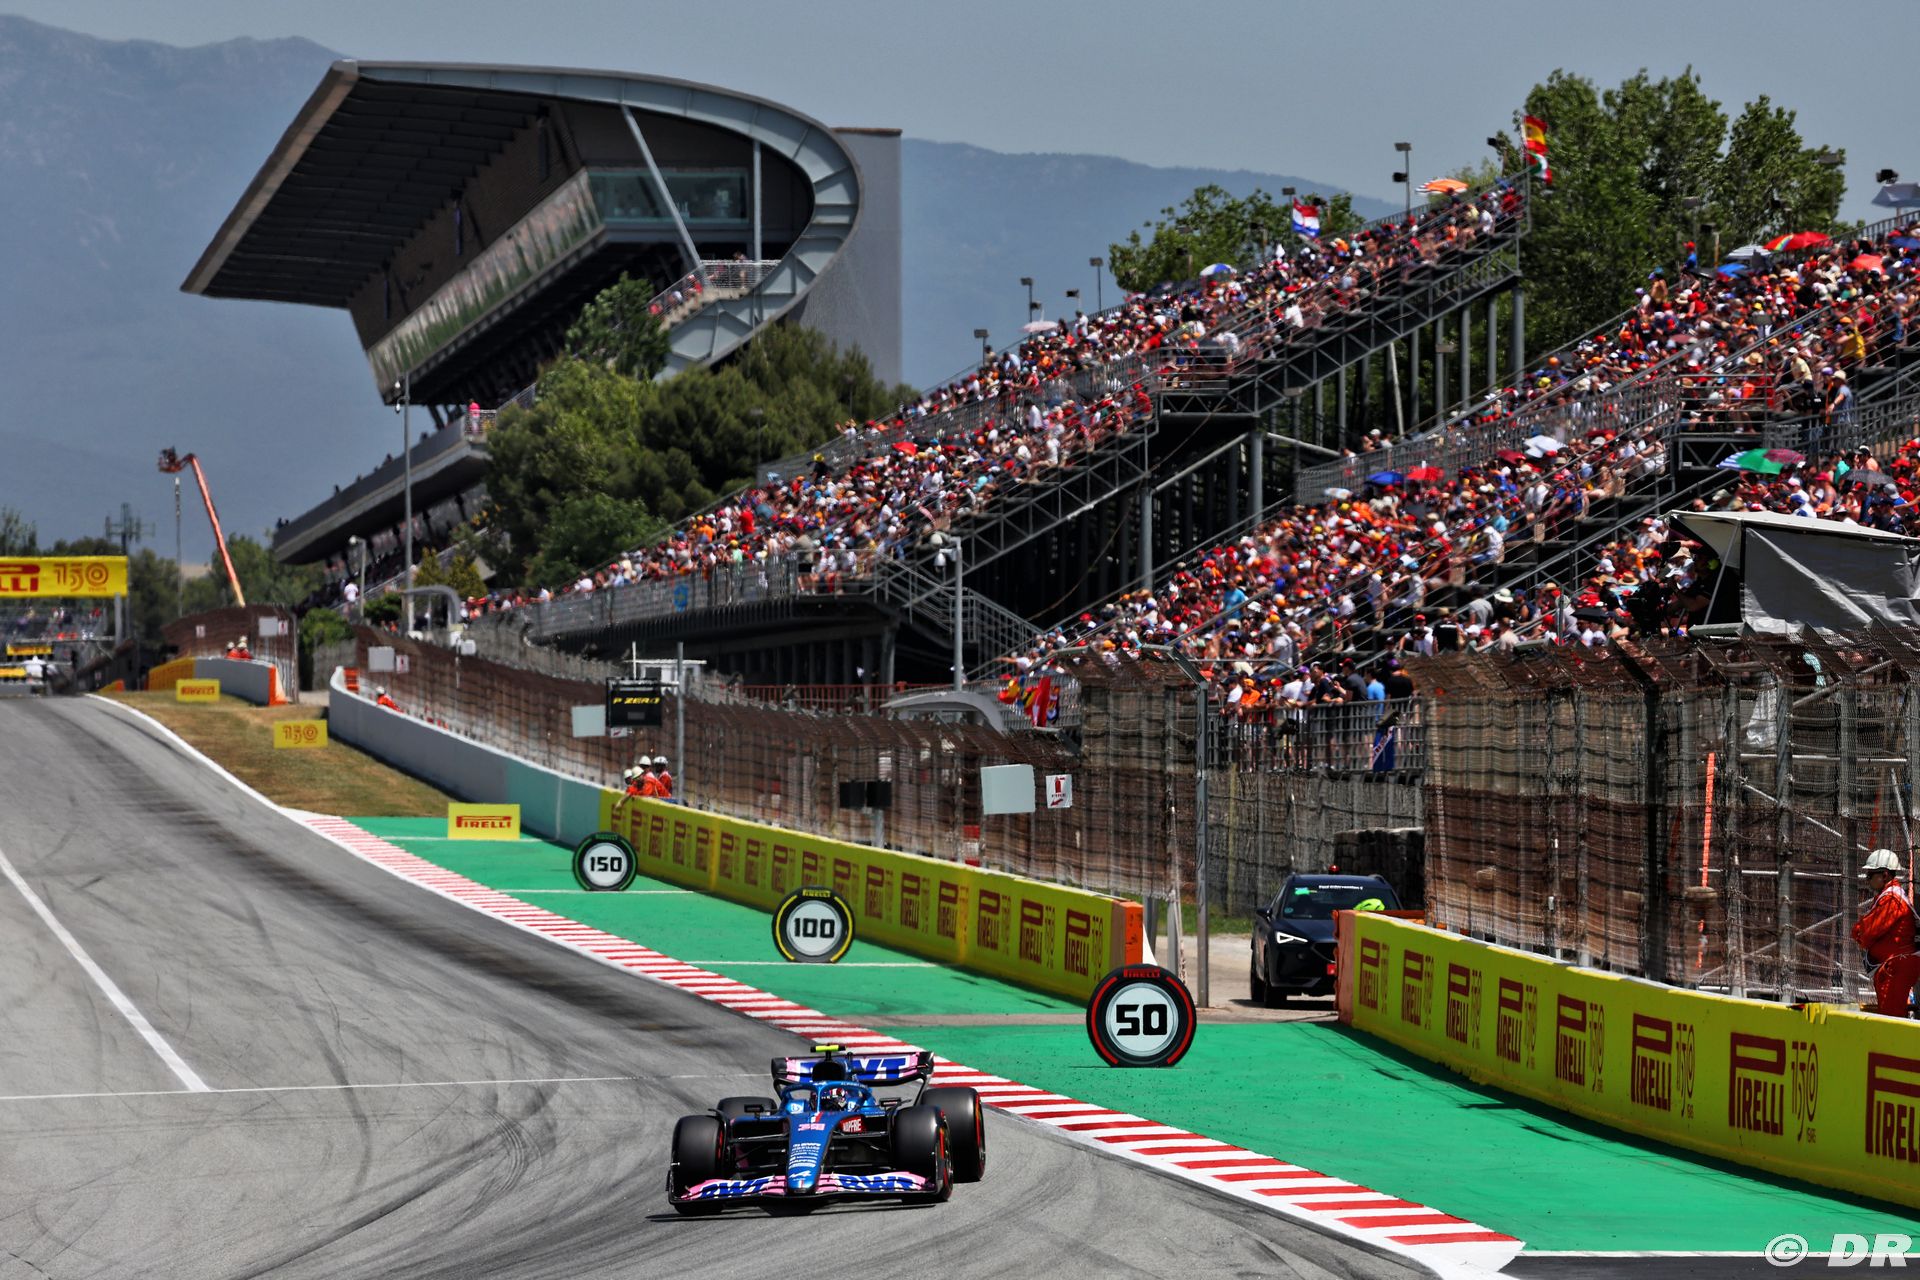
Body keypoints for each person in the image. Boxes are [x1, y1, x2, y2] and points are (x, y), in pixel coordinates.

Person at [1853, 849, 1918, 1017]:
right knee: (1890, 1014)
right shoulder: (1888, 896)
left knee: (1892, 1016)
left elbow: (1866, 934)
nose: (1867, 879)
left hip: (1896, 966)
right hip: (1893, 966)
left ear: (1884, 875)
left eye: (1870, 874)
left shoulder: (1891, 900)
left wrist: (1861, 930)